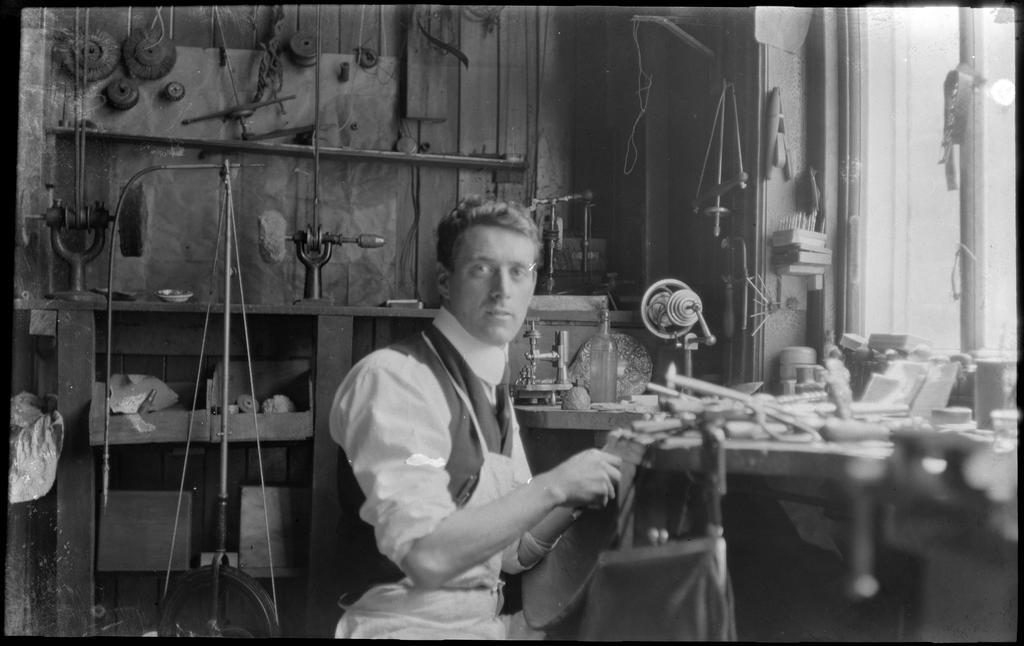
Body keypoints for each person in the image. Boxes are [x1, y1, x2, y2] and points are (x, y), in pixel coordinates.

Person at [329, 195, 623, 639]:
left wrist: (589, 487)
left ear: (532, 283)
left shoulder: (488, 392)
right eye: (482, 268)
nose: (503, 290)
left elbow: (513, 552)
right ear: (445, 282)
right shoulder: (396, 379)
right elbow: (426, 556)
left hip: (477, 624)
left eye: (518, 271)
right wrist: (557, 485)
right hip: (400, 628)